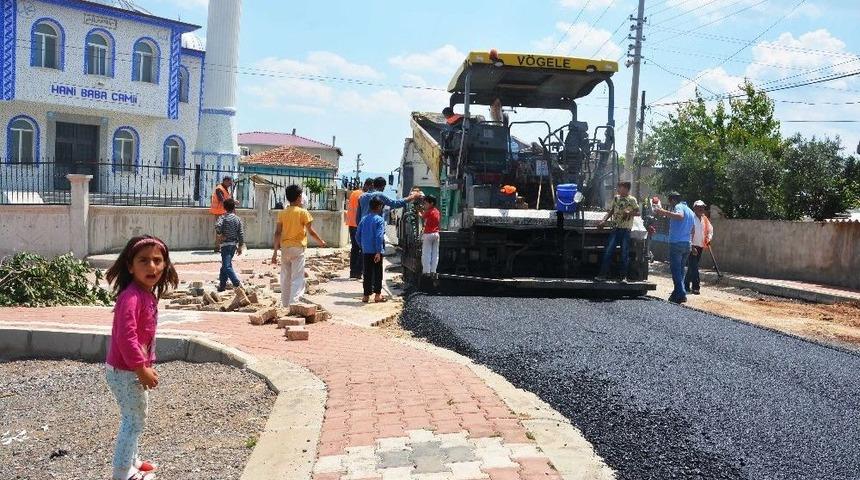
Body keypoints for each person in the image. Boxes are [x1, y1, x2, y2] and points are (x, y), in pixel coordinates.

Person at [104, 235, 179, 480]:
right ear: (130, 266)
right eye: (143, 260)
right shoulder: (131, 297)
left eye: (157, 260)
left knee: (137, 415)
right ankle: (122, 471)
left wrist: (145, 365)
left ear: (165, 265)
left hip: (131, 370)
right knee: (133, 419)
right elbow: (127, 338)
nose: (152, 266)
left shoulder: (145, 294)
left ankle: (131, 459)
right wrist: (141, 368)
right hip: (126, 371)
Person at [272, 185, 327, 307]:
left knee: (285, 278)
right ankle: (294, 303)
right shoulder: (303, 213)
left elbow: (277, 233)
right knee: (297, 278)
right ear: (298, 197)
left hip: (285, 248)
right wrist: (321, 242)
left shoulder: (282, 213)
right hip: (298, 248)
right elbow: (311, 231)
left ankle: (285, 304)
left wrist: (275, 252)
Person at [654, 191, 696, 303]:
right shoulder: (691, 211)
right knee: (681, 271)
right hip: (687, 244)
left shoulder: (678, 207)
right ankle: (676, 294)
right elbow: (693, 230)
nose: (670, 204)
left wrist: (663, 211)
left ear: (673, 200)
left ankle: (681, 293)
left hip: (676, 243)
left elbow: (680, 216)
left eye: (670, 201)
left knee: (676, 270)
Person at [596, 181, 640, 282]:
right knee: (608, 252)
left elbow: (638, 212)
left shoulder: (632, 200)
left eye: (620, 187)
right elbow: (611, 211)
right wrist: (604, 220)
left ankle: (622, 277)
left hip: (626, 230)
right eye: (619, 187)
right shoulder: (616, 198)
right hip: (615, 229)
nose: (618, 189)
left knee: (624, 254)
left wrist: (629, 212)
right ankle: (602, 275)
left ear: (626, 189)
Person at [356, 197, 387, 303]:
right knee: (378, 273)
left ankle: (366, 296)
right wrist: (378, 251)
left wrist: (362, 246)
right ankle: (377, 295)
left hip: (366, 251)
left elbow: (357, 235)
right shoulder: (379, 220)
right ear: (379, 207)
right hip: (376, 251)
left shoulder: (364, 219)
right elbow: (379, 236)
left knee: (367, 273)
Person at [345, 178, 373, 279]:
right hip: (359, 224)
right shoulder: (364, 196)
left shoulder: (354, 193)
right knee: (362, 248)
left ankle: (353, 272)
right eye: (371, 187)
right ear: (368, 185)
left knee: (354, 248)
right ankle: (358, 271)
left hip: (351, 223)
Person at [215, 198, 244, 292]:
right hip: (233, 245)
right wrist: (240, 246)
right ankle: (222, 286)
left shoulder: (223, 217)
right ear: (234, 207)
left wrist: (220, 235)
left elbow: (217, 226)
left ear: (224, 207)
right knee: (224, 266)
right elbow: (241, 233)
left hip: (225, 245)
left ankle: (236, 282)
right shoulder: (237, 219)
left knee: (226, 266)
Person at [685, 200, 714, 295]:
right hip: (691, 246)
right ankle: (696, 287)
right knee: (694, 267)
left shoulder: (704, 219)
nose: (701, 209)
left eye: (702, 207)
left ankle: (685, 285)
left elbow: (710, 230)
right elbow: (688, 232)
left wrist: (709, 238)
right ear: (694, 208)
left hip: (700, 246)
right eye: (699, 207)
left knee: (692, 267)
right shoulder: (691, 218)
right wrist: (691, 246)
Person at [209, 176, 233, 252]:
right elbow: (222, 200)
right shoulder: (219, 189)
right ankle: (217, 247)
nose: (230, 184)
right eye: (229, 182)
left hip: (223, 212)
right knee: (220, 230)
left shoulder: (225, 188)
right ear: (225, 181)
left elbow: (226, 199)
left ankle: (220, 246)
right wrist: (232, 202)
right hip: (218, 212)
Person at [421, 195, 441, 277]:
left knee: (426, 253)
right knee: (435, 254)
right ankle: (433, 270)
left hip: (428, 234)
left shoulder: (429, 211)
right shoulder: (437, 211)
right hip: (436, 234)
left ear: (431, 203)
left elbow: (422, 216)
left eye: (426, 203)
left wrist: (419, 211)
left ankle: (426, 271)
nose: (424, 205)